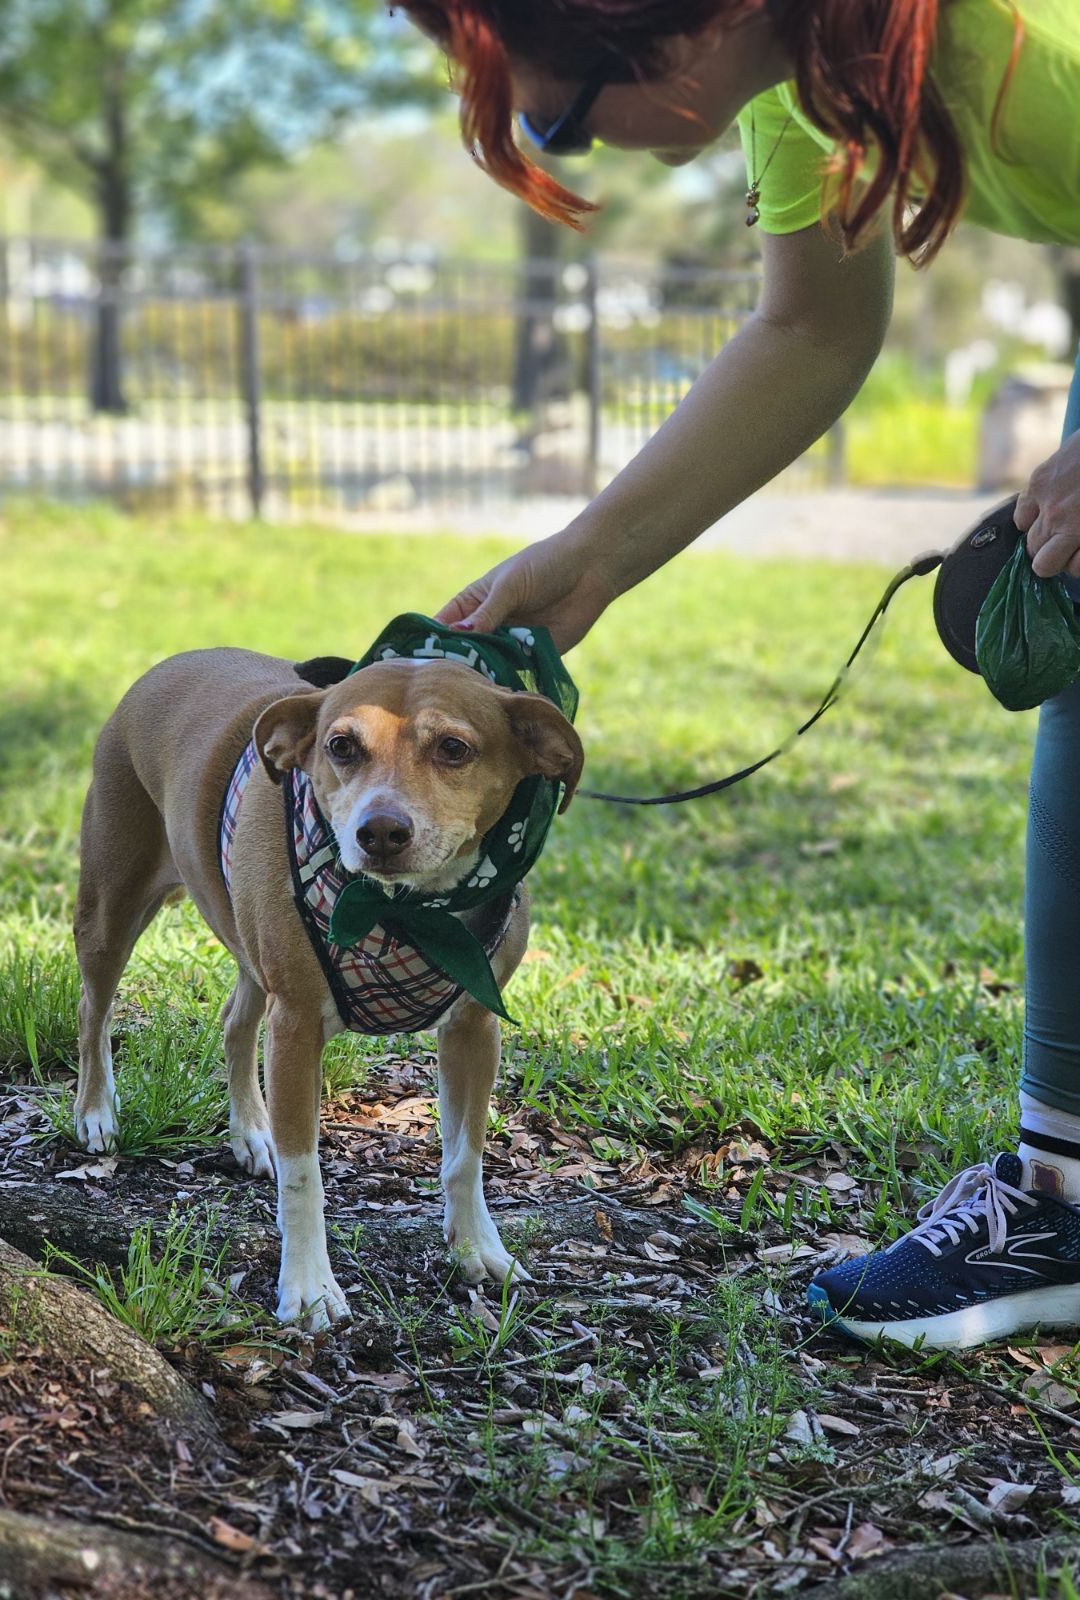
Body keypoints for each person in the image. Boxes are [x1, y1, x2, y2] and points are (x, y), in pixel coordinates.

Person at [397, 0, 1080, 1350]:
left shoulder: (1017, 42)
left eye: (556, 117)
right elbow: (812, 329)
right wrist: (593, 556)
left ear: (671, 39)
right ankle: (1065, 1195)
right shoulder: (800, 79)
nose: (577, 152)